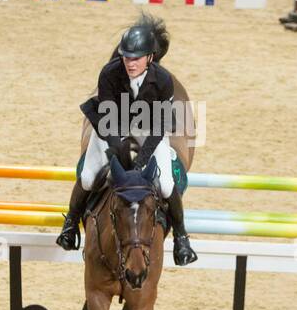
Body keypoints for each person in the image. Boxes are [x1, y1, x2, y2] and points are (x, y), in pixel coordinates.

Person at [56, 20, 197, 266]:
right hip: (113, 126)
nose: (131, 63)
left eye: (137, 58)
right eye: (127, 57)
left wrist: (141, 161)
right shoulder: (110, 74)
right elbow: (109, 124)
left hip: (150, 128)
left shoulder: (163, 81)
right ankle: (70, 224)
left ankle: (182, 239)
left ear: (150, 57)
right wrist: (120, 156)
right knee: (89, 177)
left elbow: (159, 128)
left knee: (165, 184)